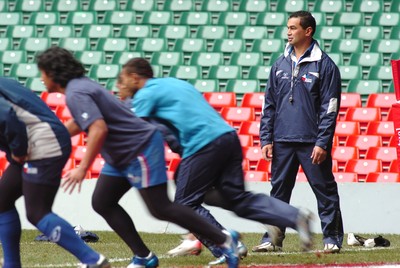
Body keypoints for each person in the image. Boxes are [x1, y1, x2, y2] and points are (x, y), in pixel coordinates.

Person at [36, 46, 240, 268]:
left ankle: (224, 239)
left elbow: (97, 128)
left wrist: (82, 167)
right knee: (103, 201)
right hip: (120, 154)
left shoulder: (76, 92)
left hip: (138, 148)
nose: (41, 78)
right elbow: (82, 121)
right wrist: (52, 137)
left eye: (42, 72)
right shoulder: (80, 87)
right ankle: (144, 257)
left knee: (161, 208)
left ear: (52, 72)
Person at [117, 57, 314, 266]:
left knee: (185, 203)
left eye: (122, 80)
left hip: (203, 145)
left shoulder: (146, 94)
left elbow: (133, 130)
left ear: (134, 77)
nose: (120, 86)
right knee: (236, 197)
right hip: (228, 137)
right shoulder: (175, 83)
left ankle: (225, 244)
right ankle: (294, 216)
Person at [0, 77, 110, 268]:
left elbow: (7, 116)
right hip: (41, 138)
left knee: (37, 212)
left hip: (41, 143)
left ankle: (93, 260)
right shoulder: (5, 81)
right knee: (2, 201)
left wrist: (18, 150)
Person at [258, 10, 344, 254]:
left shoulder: (325, 65)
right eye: (288, 27)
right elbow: (269, 104)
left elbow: (330, 109)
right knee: (278, 193)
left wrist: (322, 142)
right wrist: (266, 137)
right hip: (282, 139)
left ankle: (332, 239)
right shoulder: (279, 64)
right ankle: (272, 239)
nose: (288, 32)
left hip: (311, 142)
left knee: (325, 191)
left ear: (308, 31)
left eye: (293, 28)